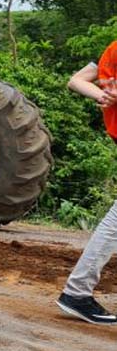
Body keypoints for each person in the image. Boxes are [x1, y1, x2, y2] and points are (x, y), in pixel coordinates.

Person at [57, 49, 117, 324]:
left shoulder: (112, 49)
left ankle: (77, 291)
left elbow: (76, 80)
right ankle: (77, 291)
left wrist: (102, 96)